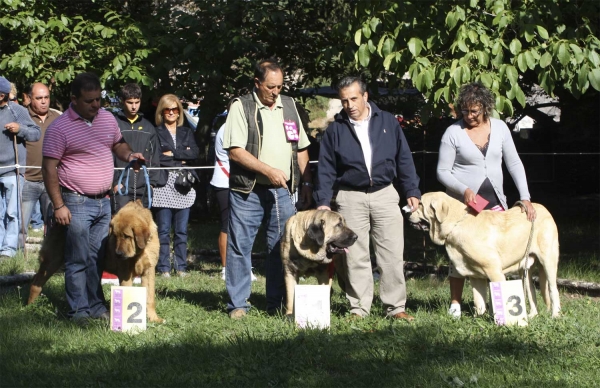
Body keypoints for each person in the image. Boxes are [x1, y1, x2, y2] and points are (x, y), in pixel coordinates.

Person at [314, 76, 420, 321]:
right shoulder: (335, 129)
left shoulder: (388, 122)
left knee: (392, 254)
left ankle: (395, 307)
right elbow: (326, 168)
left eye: (353, 98)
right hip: (350, 197)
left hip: (385, 193)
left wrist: (412, 190)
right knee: (355, 256)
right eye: (344, 100)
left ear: (365, 96)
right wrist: (323, 200)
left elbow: (404, 158)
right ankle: (359, 309)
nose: (349, 104)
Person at [42, 72, 144, 324]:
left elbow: (118, 144)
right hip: (74, 202)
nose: (96, 105)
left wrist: (130, 155)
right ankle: (78, 311)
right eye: (89, 101)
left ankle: (96, 305)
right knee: (76, 259)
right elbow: (48, 168)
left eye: (98, 99)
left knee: (96, 257)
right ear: (73, 99)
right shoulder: (59, 128)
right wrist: (59, 205)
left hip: (103, 201)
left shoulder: (107, 119)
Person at [437, 82, 536, 318]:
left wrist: (525, 197)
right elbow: (442, 172)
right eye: (465, 111)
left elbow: (513, 163)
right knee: (460, 254)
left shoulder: (500, 129)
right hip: (463, 207)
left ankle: (499, 307)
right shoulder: (452, 133)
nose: (469, 116)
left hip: (495, 203)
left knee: (495, 253)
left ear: (485, 108)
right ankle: (455, 304)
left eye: (474, 111)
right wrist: (464, 190)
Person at [223, 58, 313, 319]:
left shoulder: (289, 105)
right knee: (241, 247)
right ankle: (238, 305)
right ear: (257, 83)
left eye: (280, 86)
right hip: (248, 190)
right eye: (271, 87)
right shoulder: (241, 106)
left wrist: (306, 182)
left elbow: (301, 147)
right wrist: (268, 171)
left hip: (282, 191)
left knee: (280, 247)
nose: (276, 92)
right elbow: (236, 152)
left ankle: (278, 303)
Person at [152, 94, 199, 278]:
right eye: (167, 110)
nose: (171, 113)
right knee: (163, 230)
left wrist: (172, 153)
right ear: (162, 112)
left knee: (181, 230)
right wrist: (181, 154)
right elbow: (157, 158)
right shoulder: (156, 132)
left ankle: (181, 267)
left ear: (179, 112)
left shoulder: (187, 132)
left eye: (175, 110)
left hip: (184, 185)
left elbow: (194, 153)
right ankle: (163, 267)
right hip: (163, 184)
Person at [209, 107, 257, 282]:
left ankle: (244, 266)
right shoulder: (226, 129)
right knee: (227, 225)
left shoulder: (238, 127)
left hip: (238, 182)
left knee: (244, 226)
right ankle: (225, 268)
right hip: (225, 182)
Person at [0, 76, 41, 260]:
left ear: (3, 95)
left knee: (11, 212)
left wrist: (20, 129)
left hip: (12, 170)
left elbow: (35, 133)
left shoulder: (17, 110)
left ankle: (8, 250)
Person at [18, 83, 60, 249]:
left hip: (52, 180)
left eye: (46, 97)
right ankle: (17, 258)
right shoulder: (22, 118)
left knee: (53, 225)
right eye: (39, 98)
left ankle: (51, 259)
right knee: (21, 224)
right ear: (29, 99)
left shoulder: (58, 118)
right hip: (27, 180)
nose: (44, 101)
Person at [112, 83, 165, 213]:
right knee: (122, 229)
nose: (134, 106)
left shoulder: (149, 127)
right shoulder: (113, 124)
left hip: (144, 187)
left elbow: (154, 157)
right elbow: (107, 155)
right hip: (121, 185)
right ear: (123, 101)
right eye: (130, 102)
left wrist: (151, 184)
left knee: (142, 228)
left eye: (137, 102)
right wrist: (114, 183)